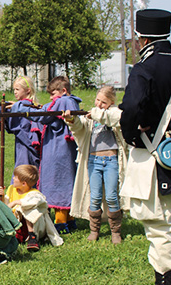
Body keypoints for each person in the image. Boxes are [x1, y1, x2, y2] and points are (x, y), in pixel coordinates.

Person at [119, 9, 171, 284]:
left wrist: (132, 135)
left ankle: (166, 280)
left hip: (153, 157)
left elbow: (131, 107)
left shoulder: (144, 68)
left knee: (159, 226)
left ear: (142, 39)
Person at [16, 76, 81, 234]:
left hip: (59, 151)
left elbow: (43, 115)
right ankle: (70, 220)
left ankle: (61, 223)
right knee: (63, 181)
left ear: (63, 91)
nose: (51, 98)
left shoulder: (64, 101)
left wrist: (22, 108)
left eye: (53, 94)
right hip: (61, 148)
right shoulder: (68, 102)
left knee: (58, 182)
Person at [63, 86, 128, 244]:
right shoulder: (90, 116)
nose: (99, 104)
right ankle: (94, 230)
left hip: (111, 160)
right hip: (94, 161)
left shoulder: (113, 115)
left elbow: (118, 119)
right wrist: (72, 120)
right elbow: (79, 128)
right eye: (97, 100)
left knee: (112, 196)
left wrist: (100, 115)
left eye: (103, 102)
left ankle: (115, 231)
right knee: (95, 196)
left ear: (111, 103)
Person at [0, 76, 42, 178]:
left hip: (26, 144)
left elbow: (5, 109)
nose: (15, 92)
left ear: (28, 90)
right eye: (14, 89)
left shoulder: (26, 105)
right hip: (21, 143)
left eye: (17, 89)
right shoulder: (21, 105)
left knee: (24, 170)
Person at [0, 165, 63, 252]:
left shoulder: (35, 194)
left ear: (24, 183)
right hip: (16, 223)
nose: (13, 179)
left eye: (15, 177)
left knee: (26, 207)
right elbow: (4, 207)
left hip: (33, 226)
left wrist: (15, 202)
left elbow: (34, 202)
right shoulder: (12, 189)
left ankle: (32, 236)